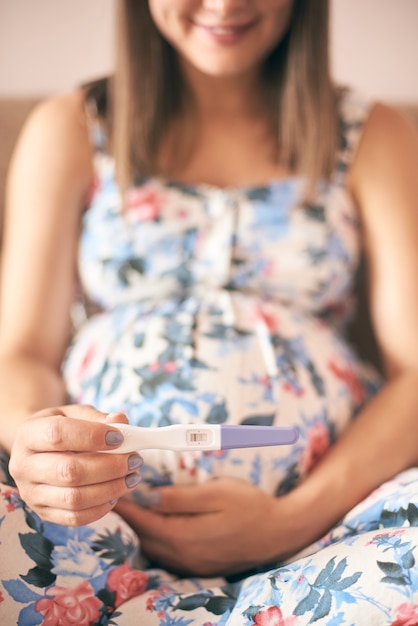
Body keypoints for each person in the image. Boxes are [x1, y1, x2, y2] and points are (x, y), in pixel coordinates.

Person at [1, 0, 418, 624]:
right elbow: (21, 353)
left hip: (328, 539)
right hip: (91, 530)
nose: (224, 4)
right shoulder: (71, 126)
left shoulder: (369, 132)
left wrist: (292, 519)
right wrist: (40, 447)